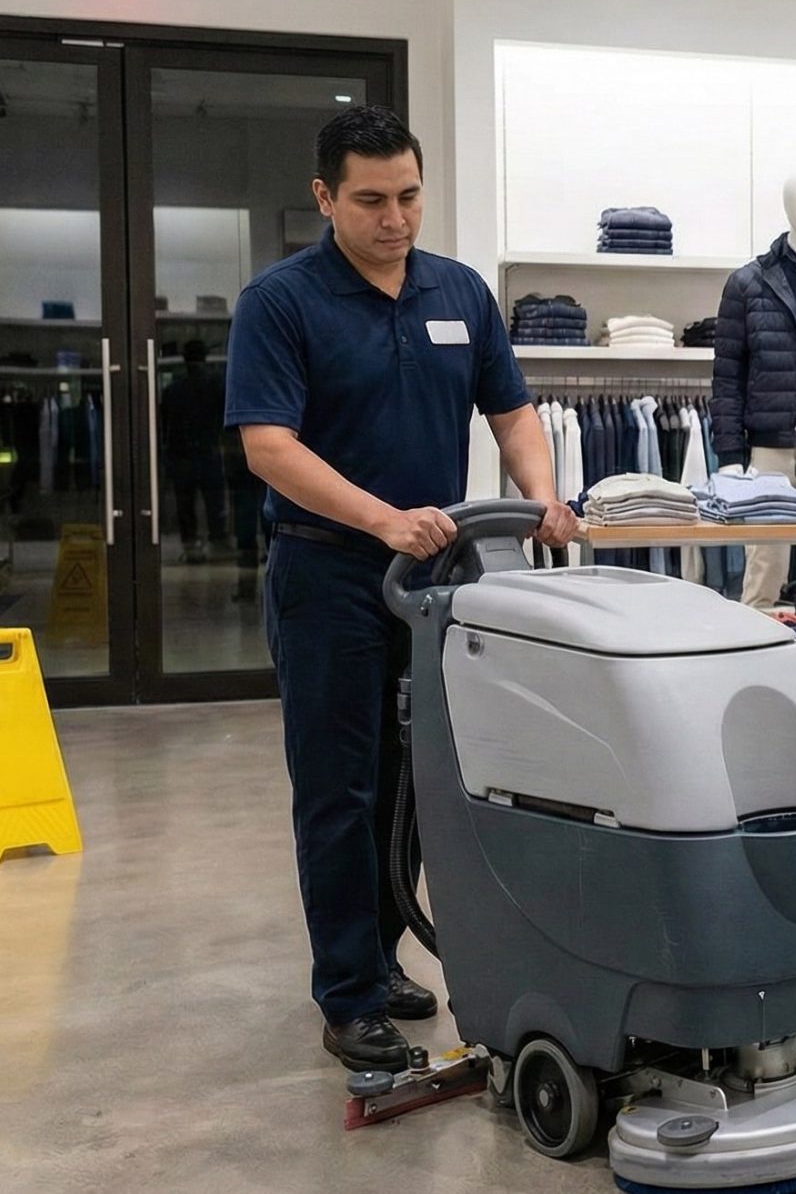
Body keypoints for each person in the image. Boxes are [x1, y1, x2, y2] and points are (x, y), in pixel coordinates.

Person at [223, 106, 581, 1072]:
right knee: (340, 785)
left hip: (433, 578)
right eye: (372, 200)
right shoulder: (282, 302)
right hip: (327, 573)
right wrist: (380, 517)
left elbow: (512, 414)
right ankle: (347, 992)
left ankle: (381, 959)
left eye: (410, 196)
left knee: (413, 784)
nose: (396, 218)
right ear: (325, 197)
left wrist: (541, 495)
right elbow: (268, 447)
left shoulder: (458, 292)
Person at [159, 339, 228, 564]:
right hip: (209, 452)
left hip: (182, 456)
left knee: (185, 506)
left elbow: (165, 425)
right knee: (214, 504)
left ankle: (192, 549)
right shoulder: (217, 385)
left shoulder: (173, 389)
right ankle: (218, 545)